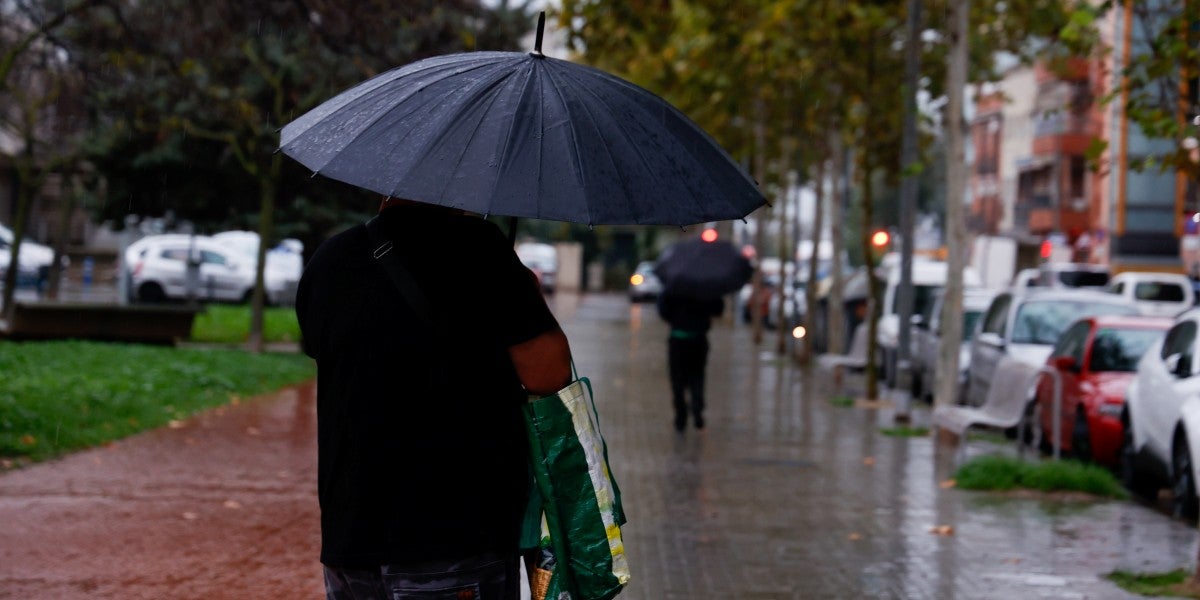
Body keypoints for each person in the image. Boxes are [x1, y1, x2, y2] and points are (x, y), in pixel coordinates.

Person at [296, 197, 572, 600]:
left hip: (350, 538)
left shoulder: (331, 258)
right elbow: (549, 373)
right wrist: (525, 296)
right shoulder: (478, 249)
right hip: (454, 537)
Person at [656, 291, 723, 431]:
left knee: (678, 379)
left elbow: (663, 310)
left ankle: (681, 415)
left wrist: (675, 318)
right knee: (697, 376)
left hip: (678, 339)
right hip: (698, 339)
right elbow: (718, 309)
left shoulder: (674, 286)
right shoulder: (706, 287)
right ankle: (696, 409)